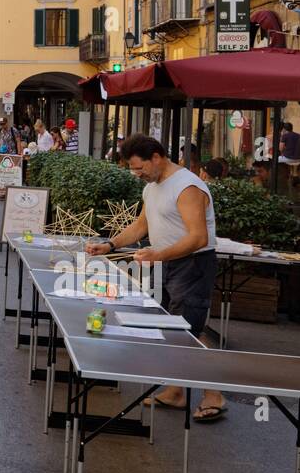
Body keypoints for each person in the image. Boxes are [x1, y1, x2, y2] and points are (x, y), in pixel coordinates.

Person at [86, 133, 226, 424]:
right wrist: (110, 245)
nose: (136, 174)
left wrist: (159, 256)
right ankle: (177, 391)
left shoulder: (187, 186)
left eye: (139, 168)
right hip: (168, 263)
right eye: (132, 169)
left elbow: (199, 237)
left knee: (187, 331)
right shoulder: (152, 186)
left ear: (157, 158)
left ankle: (214, 395)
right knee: (176, 330)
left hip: (192, 264)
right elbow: (141, 225)